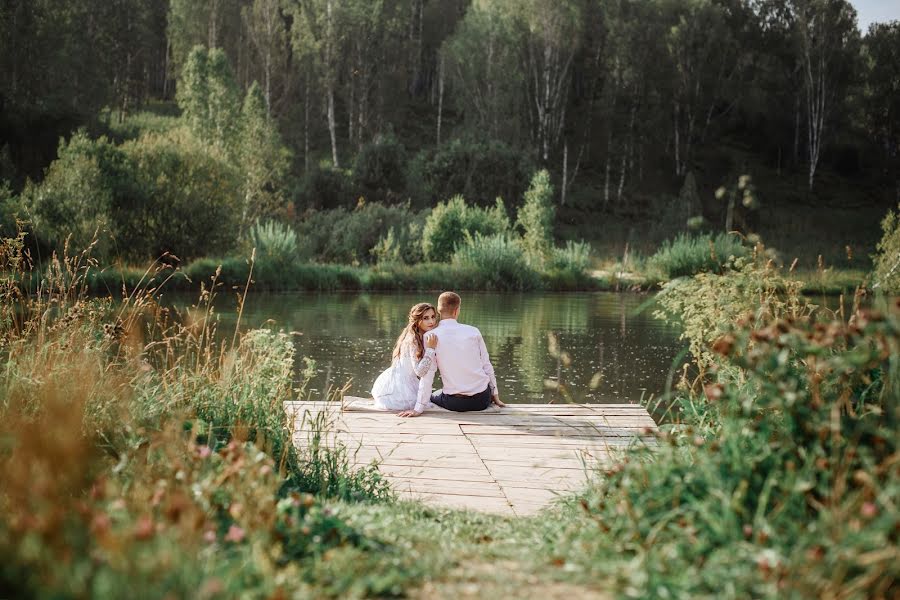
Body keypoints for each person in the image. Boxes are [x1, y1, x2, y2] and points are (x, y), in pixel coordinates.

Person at [398, 291, 505, 417]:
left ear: (438, 310)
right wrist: (495, 395)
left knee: (434, 395)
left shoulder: (430, 337)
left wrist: (418, 409)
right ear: (457, 310)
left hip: (454, 403)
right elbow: (487, 365)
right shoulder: (474, 332)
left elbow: (427, 377)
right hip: (482, 401)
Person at [371, 302, 439, 412]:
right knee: (426, 401)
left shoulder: (419, 335)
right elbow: (420, 372)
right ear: (417, 320)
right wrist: (430, 350)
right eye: (425, 318)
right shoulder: (413, 340)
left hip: (406, 380)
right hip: (398, 386)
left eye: (432, 317)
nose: (431, 321)